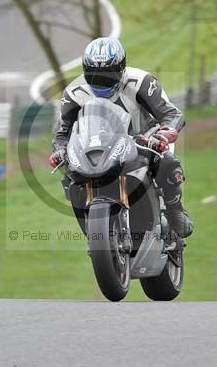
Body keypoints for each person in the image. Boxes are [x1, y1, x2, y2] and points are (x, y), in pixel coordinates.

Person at [49, 37, 194, 238]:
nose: (100, 81)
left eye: (107, 75)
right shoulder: (74, 93)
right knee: (70, 176)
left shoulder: (141, 82)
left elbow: (171, 114)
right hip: (98, 146)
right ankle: (91, 226)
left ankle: (175, 209)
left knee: (167, 161)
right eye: (94, 75)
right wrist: (60, 150)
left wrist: (165, 133)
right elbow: (62, 132)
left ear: (121, 68)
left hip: (144, 139)